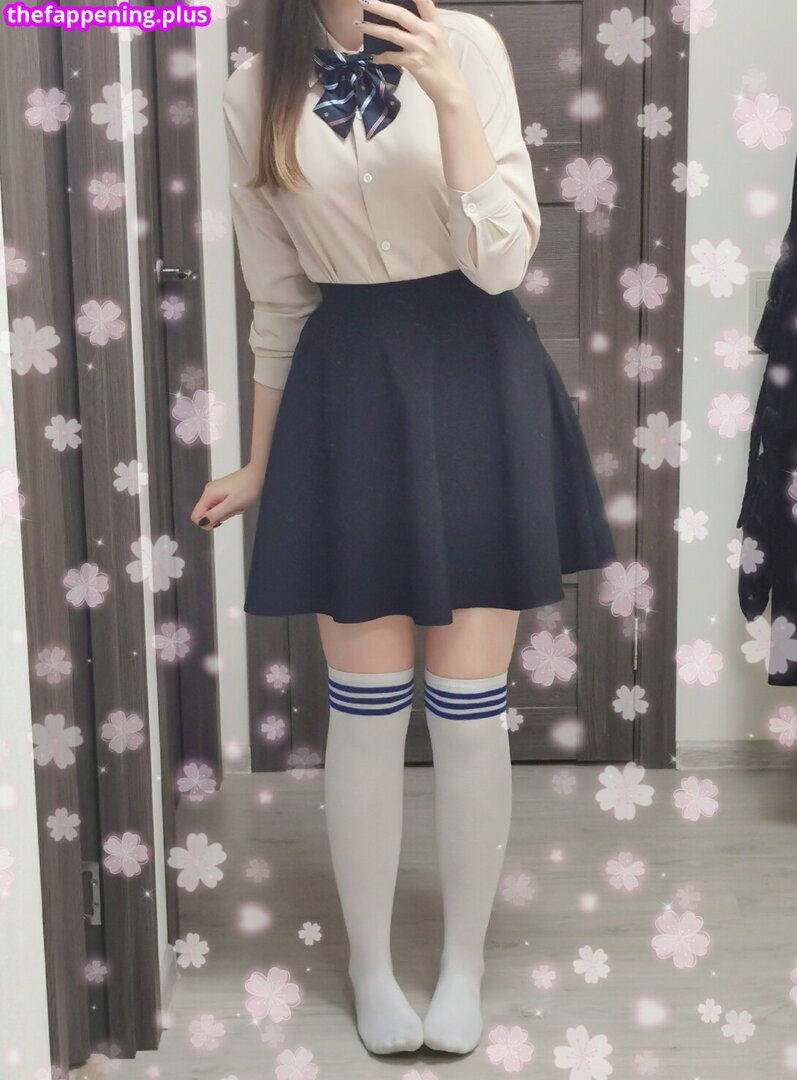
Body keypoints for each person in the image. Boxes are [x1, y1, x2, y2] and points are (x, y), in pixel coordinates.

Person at [191, 0, 617, 1057]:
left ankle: (463, 963)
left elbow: (502, 262)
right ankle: (370, 965)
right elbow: (278, 299)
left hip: (479, 380)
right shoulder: (249, 91)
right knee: (367, 712)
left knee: (468, 712)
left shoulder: (466, 46)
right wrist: (261, 461)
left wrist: (450, 97)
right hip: (347, 396)